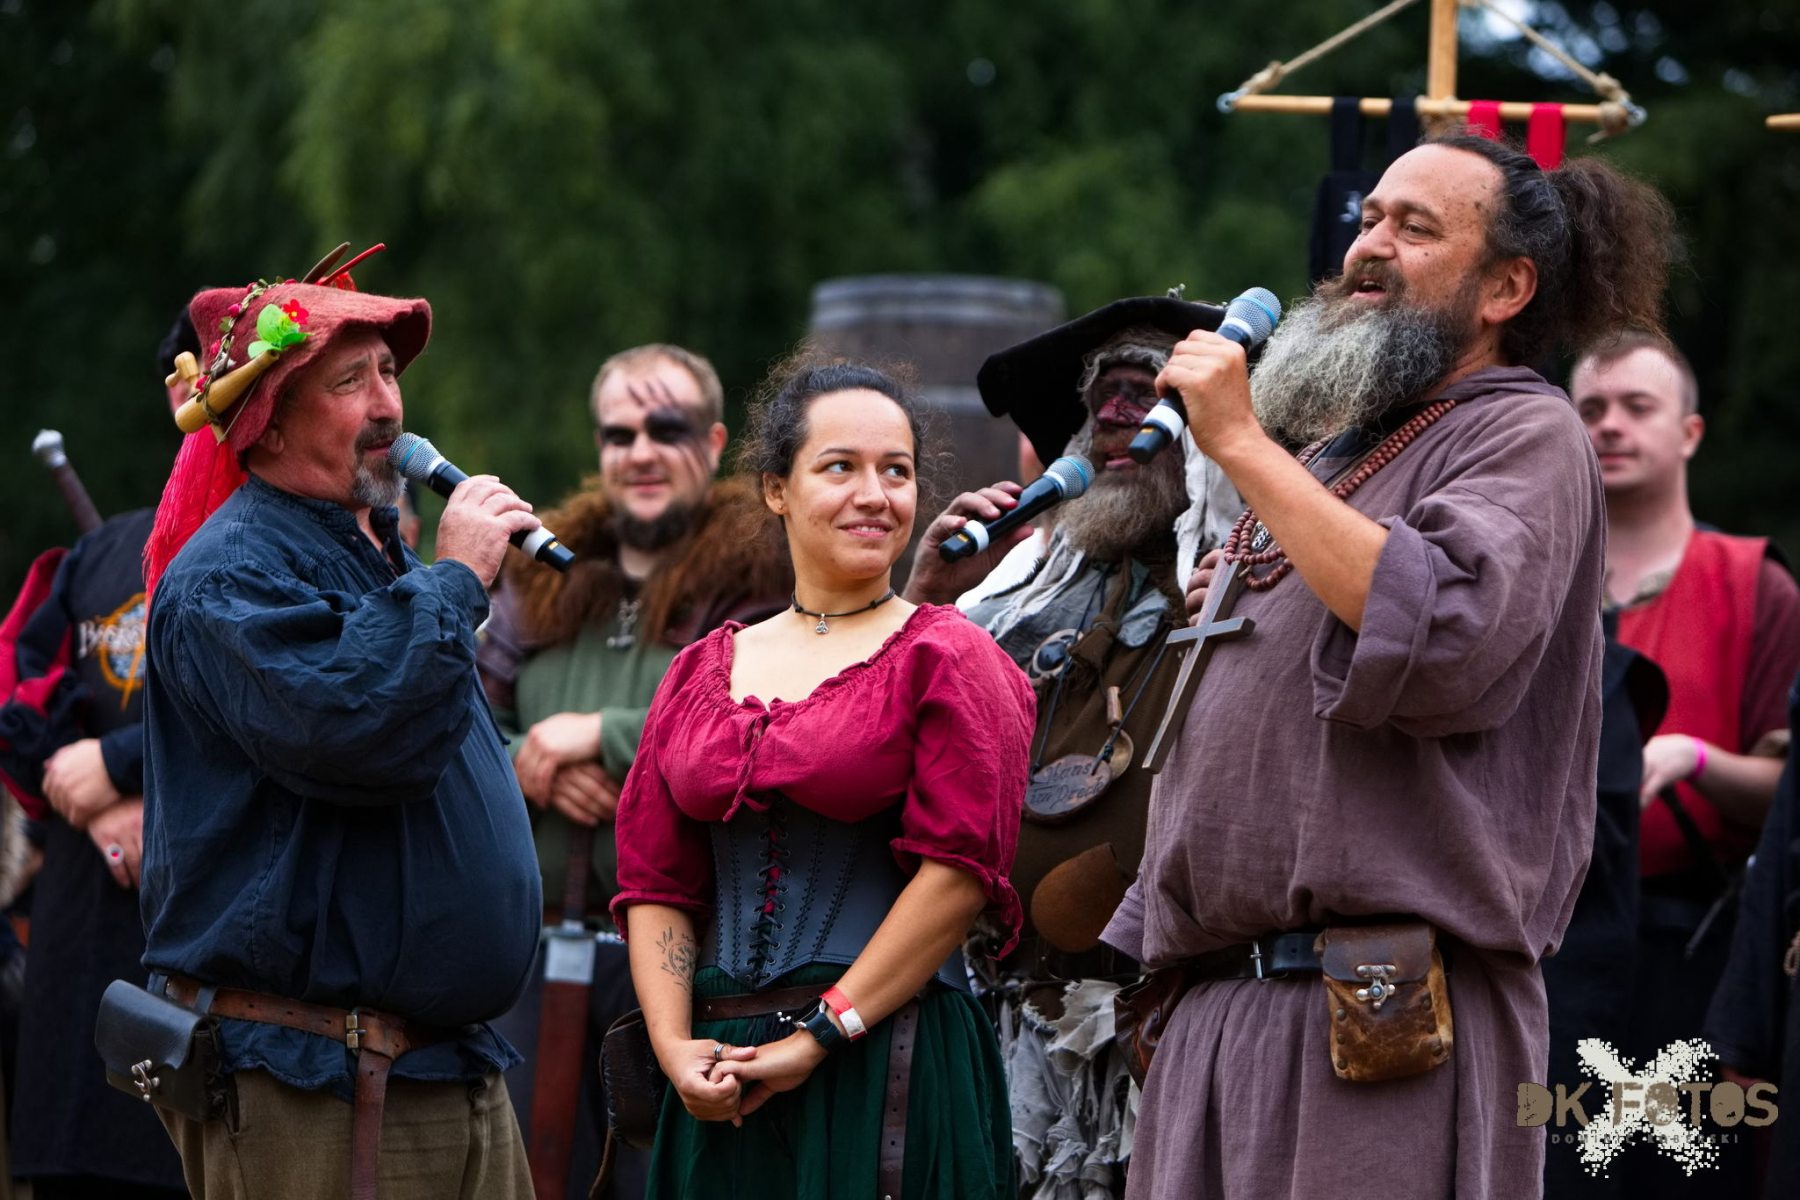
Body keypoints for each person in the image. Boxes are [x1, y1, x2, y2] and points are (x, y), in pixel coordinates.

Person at [1102, 131, 1676, 1198]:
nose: (1369, 244)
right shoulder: (1335, 456)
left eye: (1415, 228)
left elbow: (1446, 632)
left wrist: (1242, 444)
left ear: (1506, 288)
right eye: (1368, 218)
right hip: (1217, 1016)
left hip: (1379, 1017)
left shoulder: (1526, 434)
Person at [137, 258, 542, 1198]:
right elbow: (359, 729)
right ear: (269, 423)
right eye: (349, 380)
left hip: (442, 1067)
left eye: (389, 373)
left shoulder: (377, 555)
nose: (388, 405)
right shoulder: (227, 576)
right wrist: (455, 580)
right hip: (313, 1080)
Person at [609, 358, 1034, 1199]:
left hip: (886, 1057)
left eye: (897, 472)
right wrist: (672, 1047)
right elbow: (656, 880)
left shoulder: (950, 657)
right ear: (777, 488)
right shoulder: (700, 670)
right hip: (718, 1070)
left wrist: (821, 1034)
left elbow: (958, 876)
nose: (874, 496)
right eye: (841, 467)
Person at [903, 295, 1240, 1196]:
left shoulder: (1246, 572)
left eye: (1149, 394)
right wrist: (930, 604)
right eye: (1102, 399)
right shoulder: (1020, 592)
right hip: (1010, 1030)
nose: (1118, 418)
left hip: (1173, 1035)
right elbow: (886, 762)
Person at [477, 343, 789, 1199]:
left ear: (715, 441)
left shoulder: (766, 572)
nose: (641, 452)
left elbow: (767, 712)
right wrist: (526, 763)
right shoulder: (537, 572)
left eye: (667, 428)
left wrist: (604, 733)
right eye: (620, 434)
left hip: (697, 962)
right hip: (529, 951)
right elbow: (463, 723)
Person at [1571, 331, 1800, 1195]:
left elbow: (1792, 798)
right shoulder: (1531, 587)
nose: (1610, 426)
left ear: (1691, 432)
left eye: (1637, 407)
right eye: (1590, 409)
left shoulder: (1754, 584)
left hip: (1698, 959)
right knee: (1550, 1162)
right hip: (1549, 965)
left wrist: (1695, 758)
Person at [0, 313, 198, 1199]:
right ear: (181, 392)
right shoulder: (102, 553)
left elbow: (288, 718)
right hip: (83, 944)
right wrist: (85, 784)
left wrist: (121, 766)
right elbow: (17, 690)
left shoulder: (308, 553)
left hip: (204, 959)